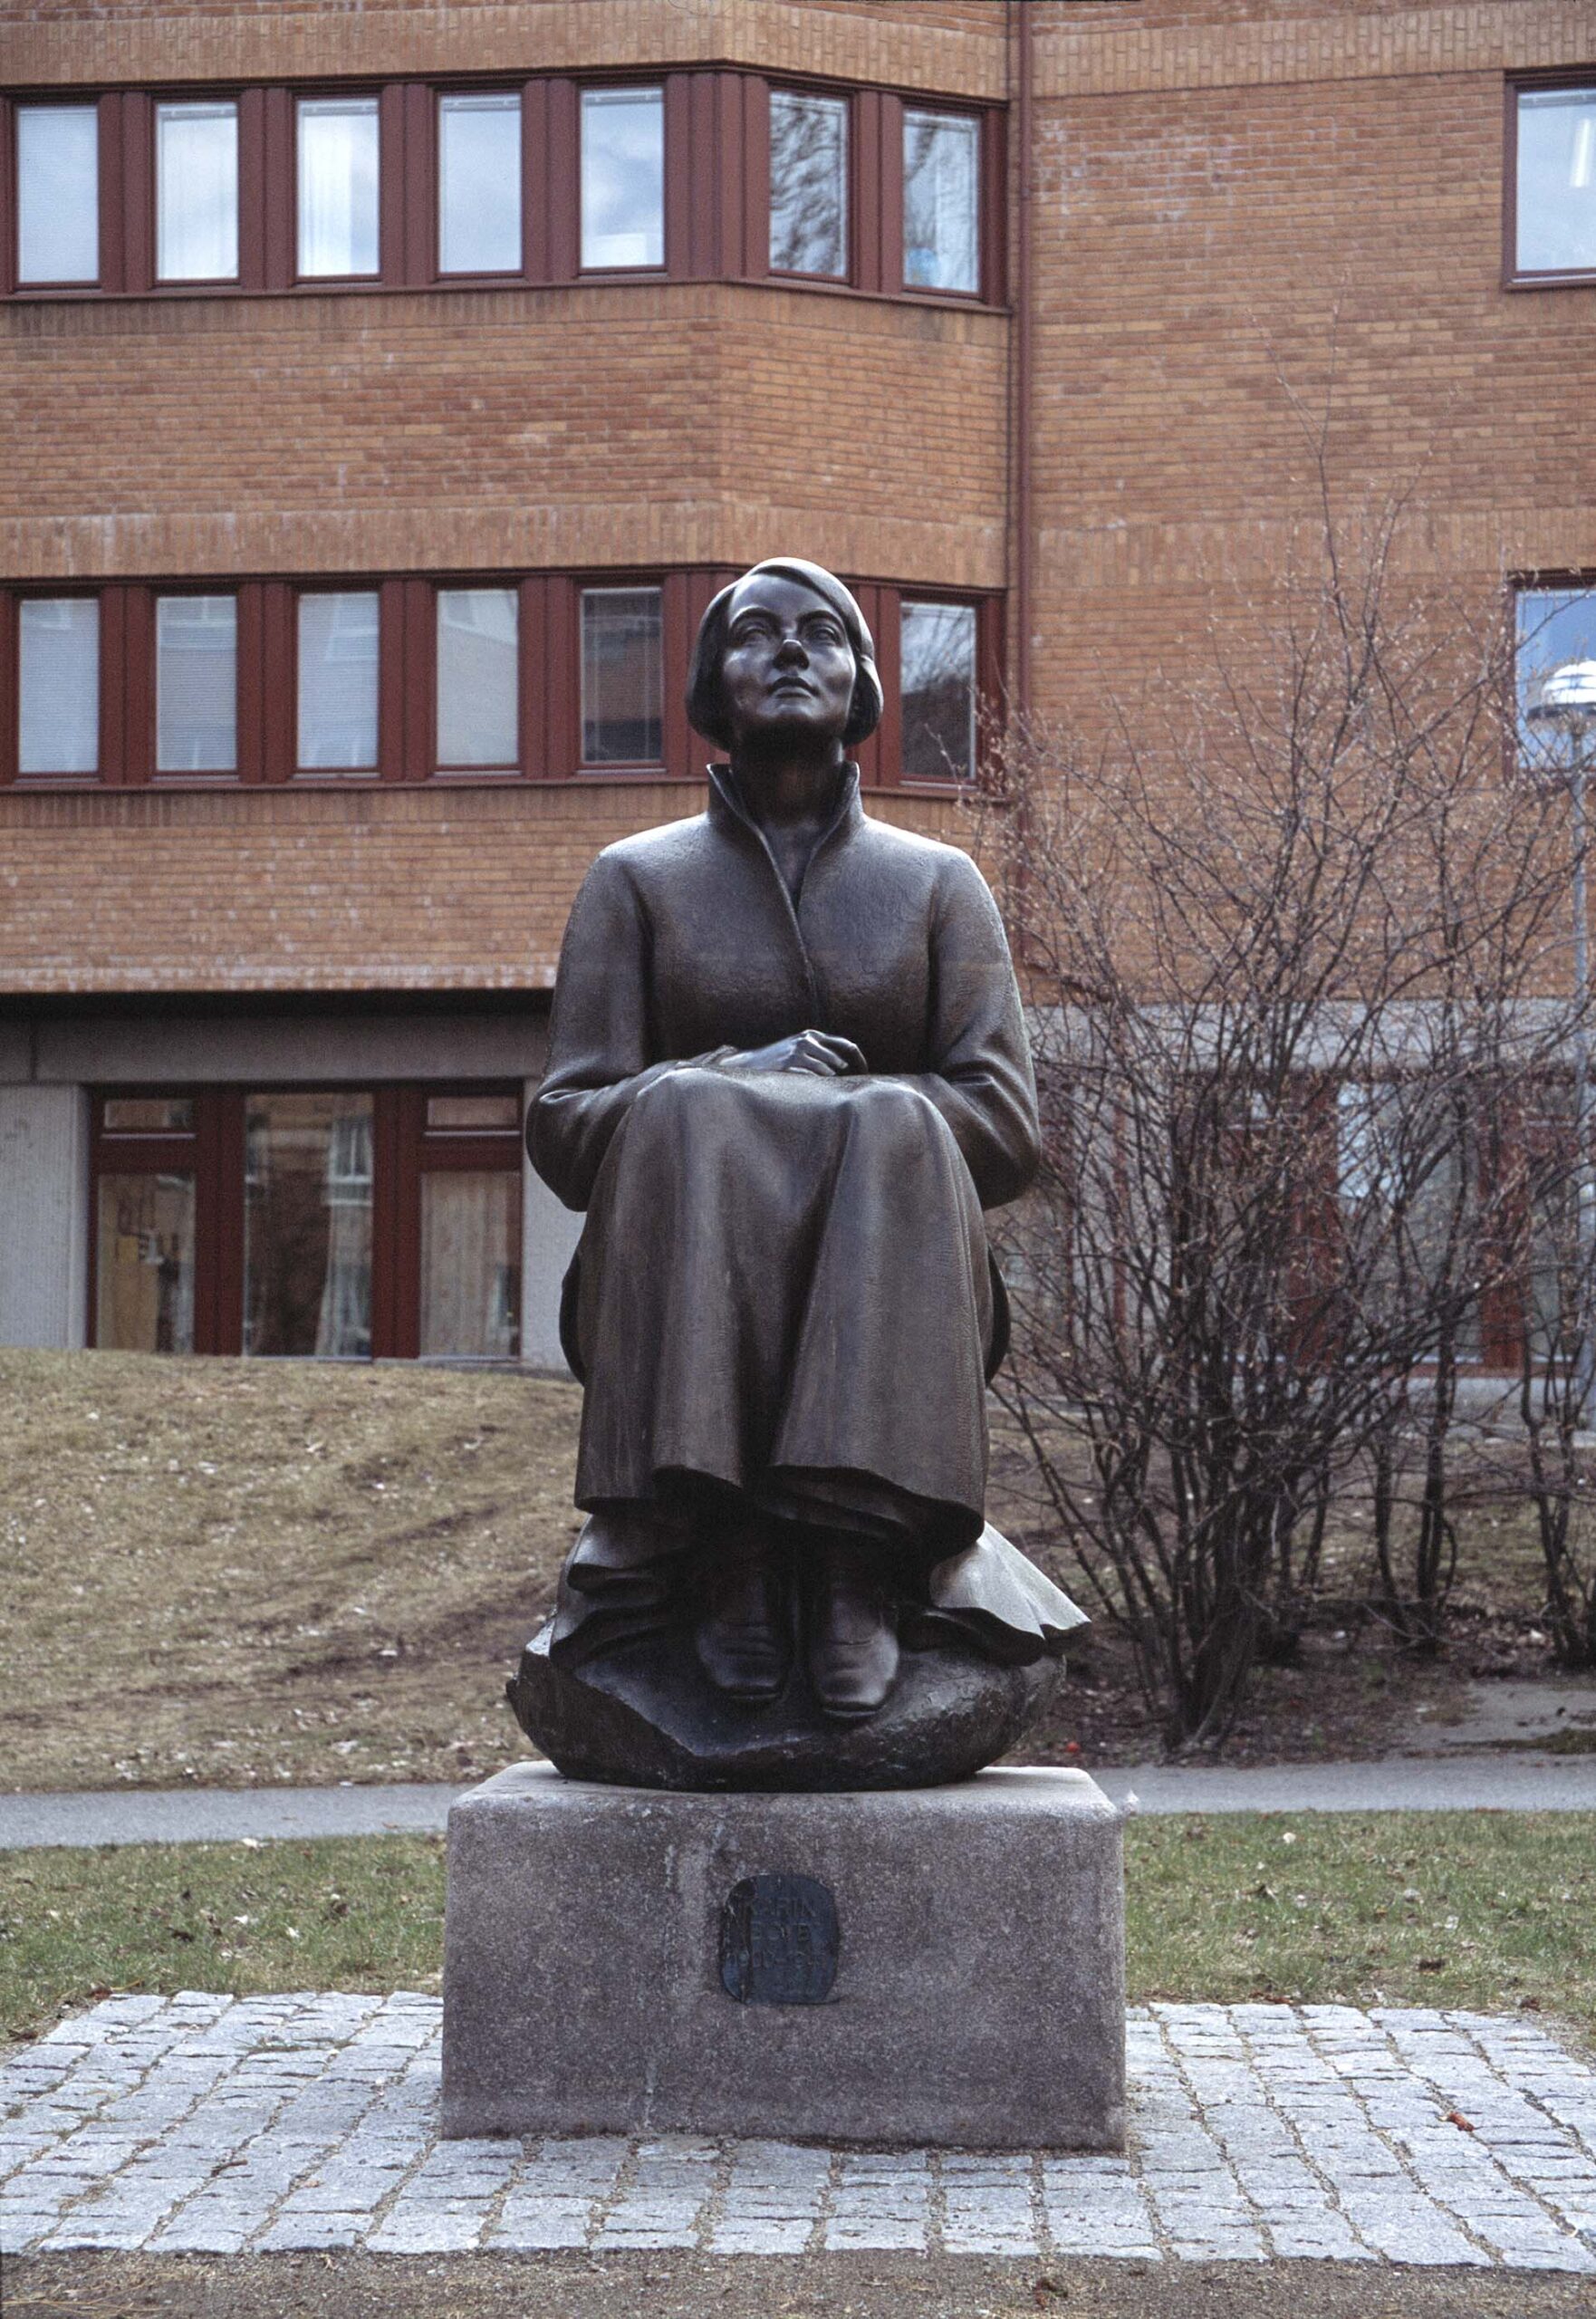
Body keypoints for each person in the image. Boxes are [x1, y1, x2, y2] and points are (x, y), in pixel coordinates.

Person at [529, 558, 1082, 1722]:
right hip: (668, 1296)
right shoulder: (635, 881)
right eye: (756, 634)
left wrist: (838, 1104)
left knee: (892, 1113)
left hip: (899, 1293)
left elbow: (1004, 1124)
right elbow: (571, 1128)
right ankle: (720, 1549)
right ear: (712, 683)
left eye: (822, 634)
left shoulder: (938, 883)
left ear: (863, 683)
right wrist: (726, 1078)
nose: (789, 650)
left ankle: (851, 1566)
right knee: (685, 1105)